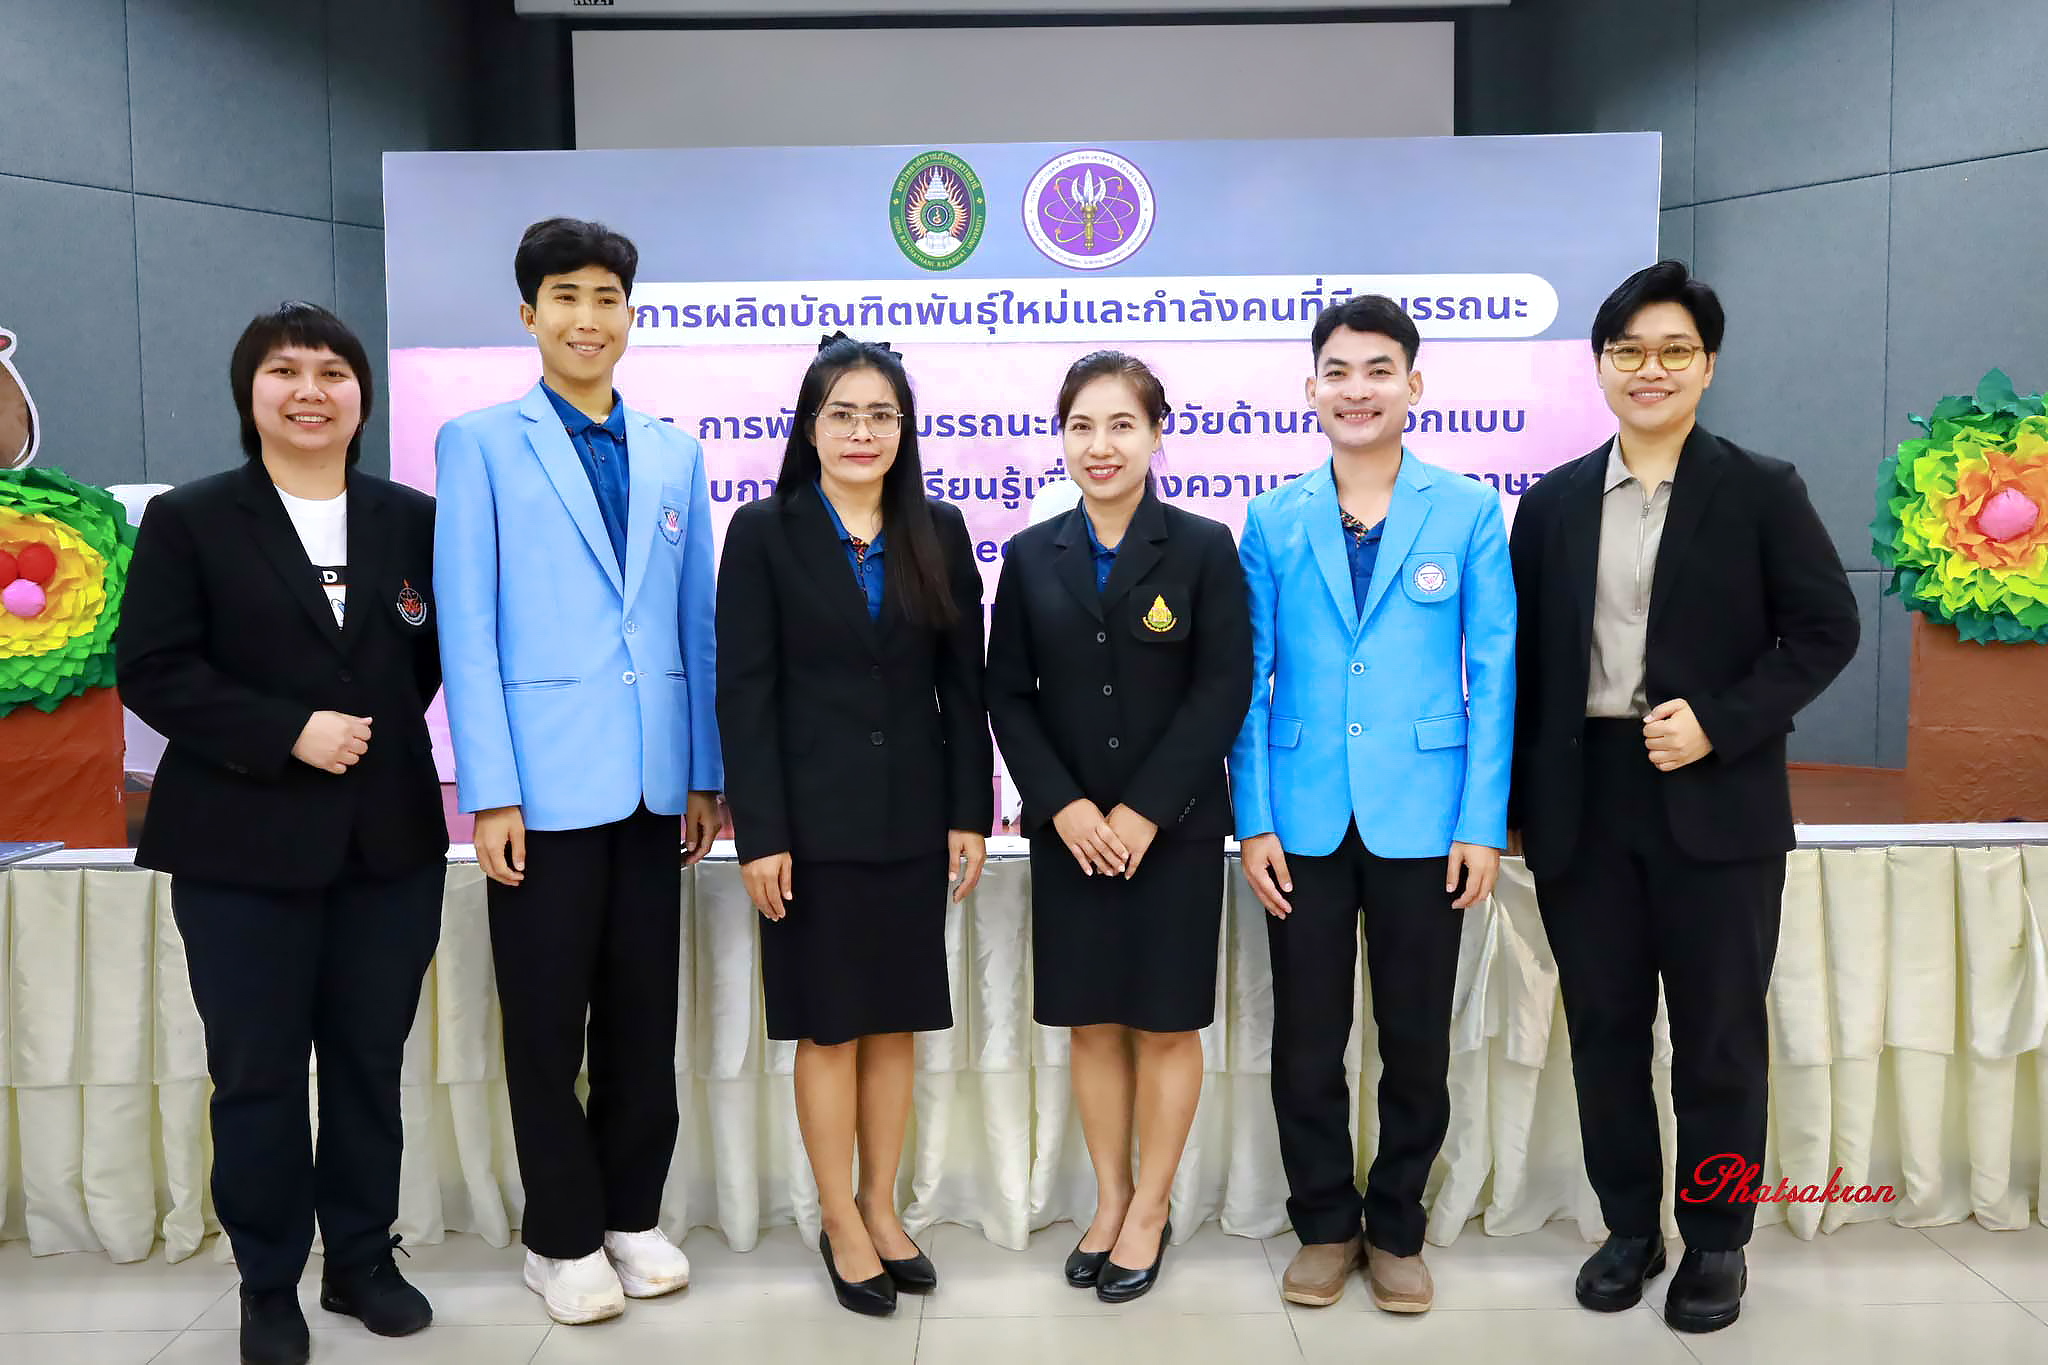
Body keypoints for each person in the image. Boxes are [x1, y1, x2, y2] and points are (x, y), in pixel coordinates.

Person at [1507, 261, 1859, 1334]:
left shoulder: (1760, 488)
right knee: (1604, 1028)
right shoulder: (1551, 503)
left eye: (1673, 351)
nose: (1648, 369)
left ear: (1707, 365)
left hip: (1716, 797)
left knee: (1716, 1037)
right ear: (1599, 365)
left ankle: (1715, 1241)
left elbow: (1825, 630)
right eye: (1627, 351)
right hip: (1584, 803)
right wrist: (1516, 807)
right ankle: (1629, 1228)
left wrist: (1721, 719)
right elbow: (1525, 665)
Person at [118, 302, 444, 1365]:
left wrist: (360, 735)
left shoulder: (412, 519)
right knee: (255, 1075)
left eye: (332, 372)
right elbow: (153, 669)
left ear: (362, 396)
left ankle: (361, 1261)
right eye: (284, 371)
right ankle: (268, 1282)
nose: (310, 391)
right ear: (248, 392)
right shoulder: (192, 518)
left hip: (386, 846)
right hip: (239, 848)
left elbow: (424, 659)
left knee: (367, 1066)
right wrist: (287, 731)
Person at [434, 218, 721, 1325]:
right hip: (540, 789)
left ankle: (631, 1215)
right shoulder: (479, 443)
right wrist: (489, 789)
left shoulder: (674, 452)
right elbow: (467, 625)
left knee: (643, 1019)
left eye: (606, 297)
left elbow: (693, 624)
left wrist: (703, 772)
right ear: (529, 314)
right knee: (547, 1023)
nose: (587, 318)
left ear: (630, 314)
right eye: (566, 297)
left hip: (654, 784)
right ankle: (558, 1238)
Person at [1229, 296, 1515, 1313]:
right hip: (1301, 816)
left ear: (1413, 385)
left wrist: (1480, 822)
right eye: (1338, 372)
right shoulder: (1272, 518)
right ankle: (1322, 1224)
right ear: (1310, 389)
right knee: (1306, 1042)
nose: (1358, 389)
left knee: (1415, 1041)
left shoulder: (1467, 510)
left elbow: (1495, 673)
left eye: (1378, 369)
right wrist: (1254, 818)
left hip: (1426, 817)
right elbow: (1247, 678)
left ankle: (1396, 1228)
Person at [716, 334, 991, 1317]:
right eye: (842, 413)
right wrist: (760, 833)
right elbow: (743, 693)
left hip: (912, 821)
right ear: (809, 426)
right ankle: (838, 1217)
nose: (862, 431)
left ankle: (881, 1205)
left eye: (881, 414)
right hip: (808, 828)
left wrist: (968, 811)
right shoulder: (764, 532)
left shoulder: (938, 529)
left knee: (894, 1023)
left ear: (904, 429)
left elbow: (964, 687)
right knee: (830, 1028)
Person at [987, 351, 1250, 1302]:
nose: (1101, 446)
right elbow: (1008, 695)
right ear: (1062, 437)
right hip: (1072, 836)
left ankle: (1151, 1208)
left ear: (1155, 434)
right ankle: (1109, 1200)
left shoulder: (1204, 546)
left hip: (1173, 833)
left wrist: (1144, 811)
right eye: (1082, 426)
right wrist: (1064, 806)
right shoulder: (1031, 555)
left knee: (1167, 1024)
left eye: (1122, 425)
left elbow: (1222, 688)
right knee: (1093, 1023)